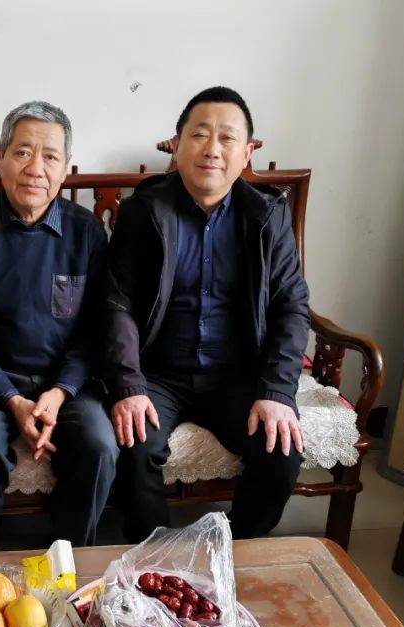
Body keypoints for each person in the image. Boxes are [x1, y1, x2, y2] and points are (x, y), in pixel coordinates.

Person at [104, 86, 310, 542]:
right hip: (159, 373)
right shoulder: (143, 211)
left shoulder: (268, 216)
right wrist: (129, 385)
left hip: (237, 374)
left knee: (281, 452)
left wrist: (276, 390)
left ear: (247, 152)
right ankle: (157, 557)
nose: (212, 149)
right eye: (199, 135)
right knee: (134, 448)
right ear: (177, 146)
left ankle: (226, 549)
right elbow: (117, 303)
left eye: (227, 138)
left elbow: (291, 306)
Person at [0, 101, 118, 551]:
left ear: (65, 169)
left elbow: (93, 330)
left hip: (66, 383)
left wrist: (60, 393)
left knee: (99, 445)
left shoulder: (86, 233)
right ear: (0, 160)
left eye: (50, 156)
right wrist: (14, 401)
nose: (35, 168)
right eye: (22, 152)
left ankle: (68, 565)